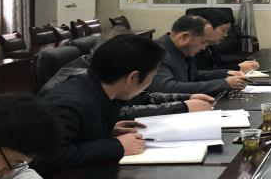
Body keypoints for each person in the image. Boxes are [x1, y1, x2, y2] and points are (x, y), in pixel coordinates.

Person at [34, 33, 180, 176]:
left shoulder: (96, 88)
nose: (150, 83)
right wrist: (117, 146)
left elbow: (75, 138)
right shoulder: (70, 103)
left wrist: (105, 132)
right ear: (133, 77)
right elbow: (43, 159)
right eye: (152, 77)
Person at [40, 28, 217, 120]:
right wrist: (182, 106)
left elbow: (141, 98)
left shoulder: (104, 74)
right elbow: (119, 112)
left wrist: (186, 98)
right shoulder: (80, 86)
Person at [148, 14, 248, 95]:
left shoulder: (182, 49)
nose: (204, 48)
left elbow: (194, 75)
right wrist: (223, 84)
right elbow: (166, 88)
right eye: (203, 42)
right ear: (184, 37)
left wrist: (226, 74)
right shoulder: (155, 52)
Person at [188, 8, 260, 77]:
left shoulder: (210, 47)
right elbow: (200, 74)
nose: (226, 35)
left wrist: (241, 66)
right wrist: (238, 68)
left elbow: (217, 67)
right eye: (223, 30)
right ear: (208, 28)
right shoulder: (194, 48)